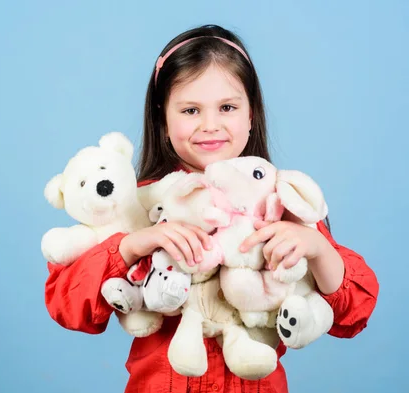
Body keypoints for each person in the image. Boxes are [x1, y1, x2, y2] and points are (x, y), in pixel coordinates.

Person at [44, 24, 379, 393]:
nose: (209, 125)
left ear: (251, 114)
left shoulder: (280, 200)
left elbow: (353, 313)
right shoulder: (139, 203)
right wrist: (135, 244)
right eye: (190, 110)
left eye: (227, 107)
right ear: (163, 120)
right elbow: (69, 304)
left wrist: (315, 248)